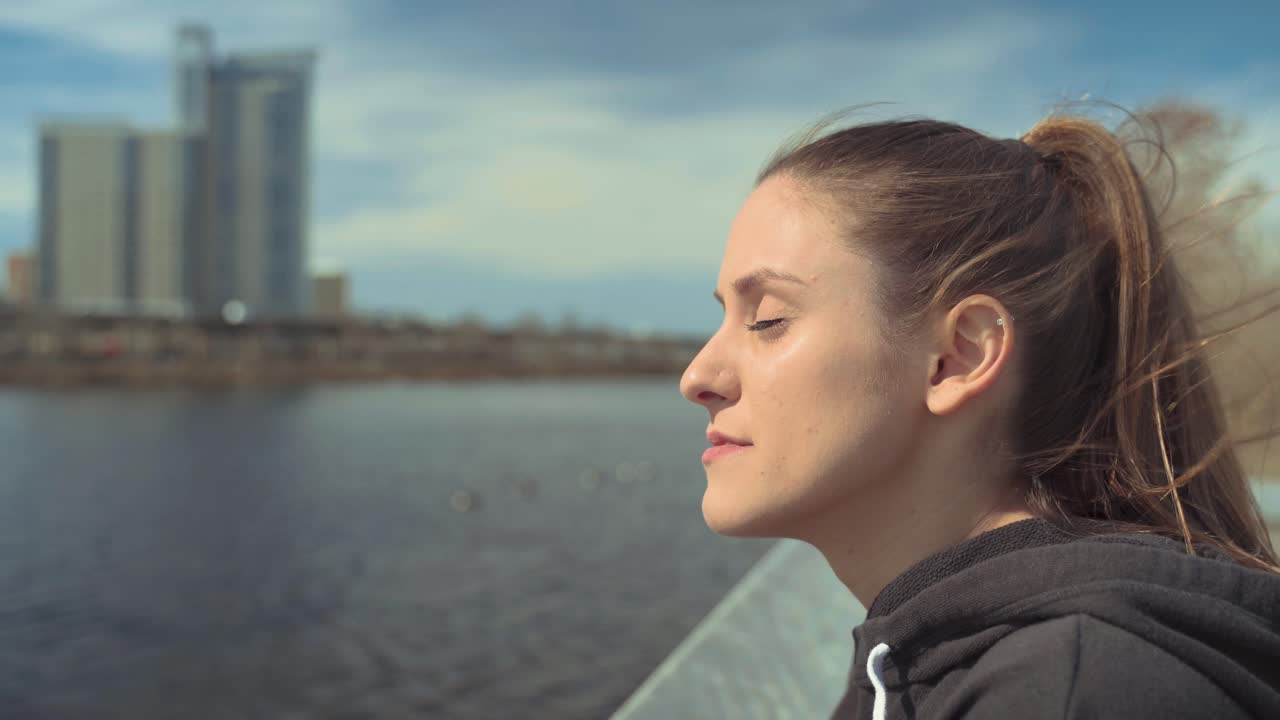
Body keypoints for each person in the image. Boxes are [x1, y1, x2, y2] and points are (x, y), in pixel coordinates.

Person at [678, 109, 1280, 719]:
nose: (696, 377)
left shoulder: (1074, 691)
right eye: (723, 315)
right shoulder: (914, 654)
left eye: (767, 320)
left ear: (957, 357)